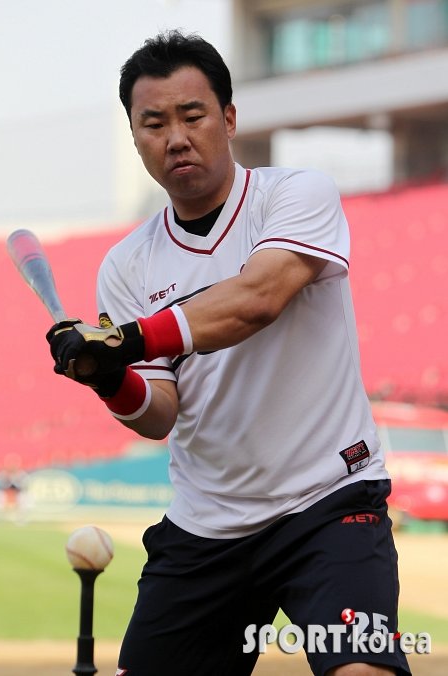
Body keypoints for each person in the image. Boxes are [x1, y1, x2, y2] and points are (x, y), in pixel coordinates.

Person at [47, 30, 411, 676]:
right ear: (135, 137)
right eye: (154, 123)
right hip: (207, 526)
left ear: (230, 118)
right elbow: (158, 413)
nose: (176, 138)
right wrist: (106, 377)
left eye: (193, 116)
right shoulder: (126, 265)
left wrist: (128, 339)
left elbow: (257, 299)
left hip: (328, 501)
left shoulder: (296, 195)